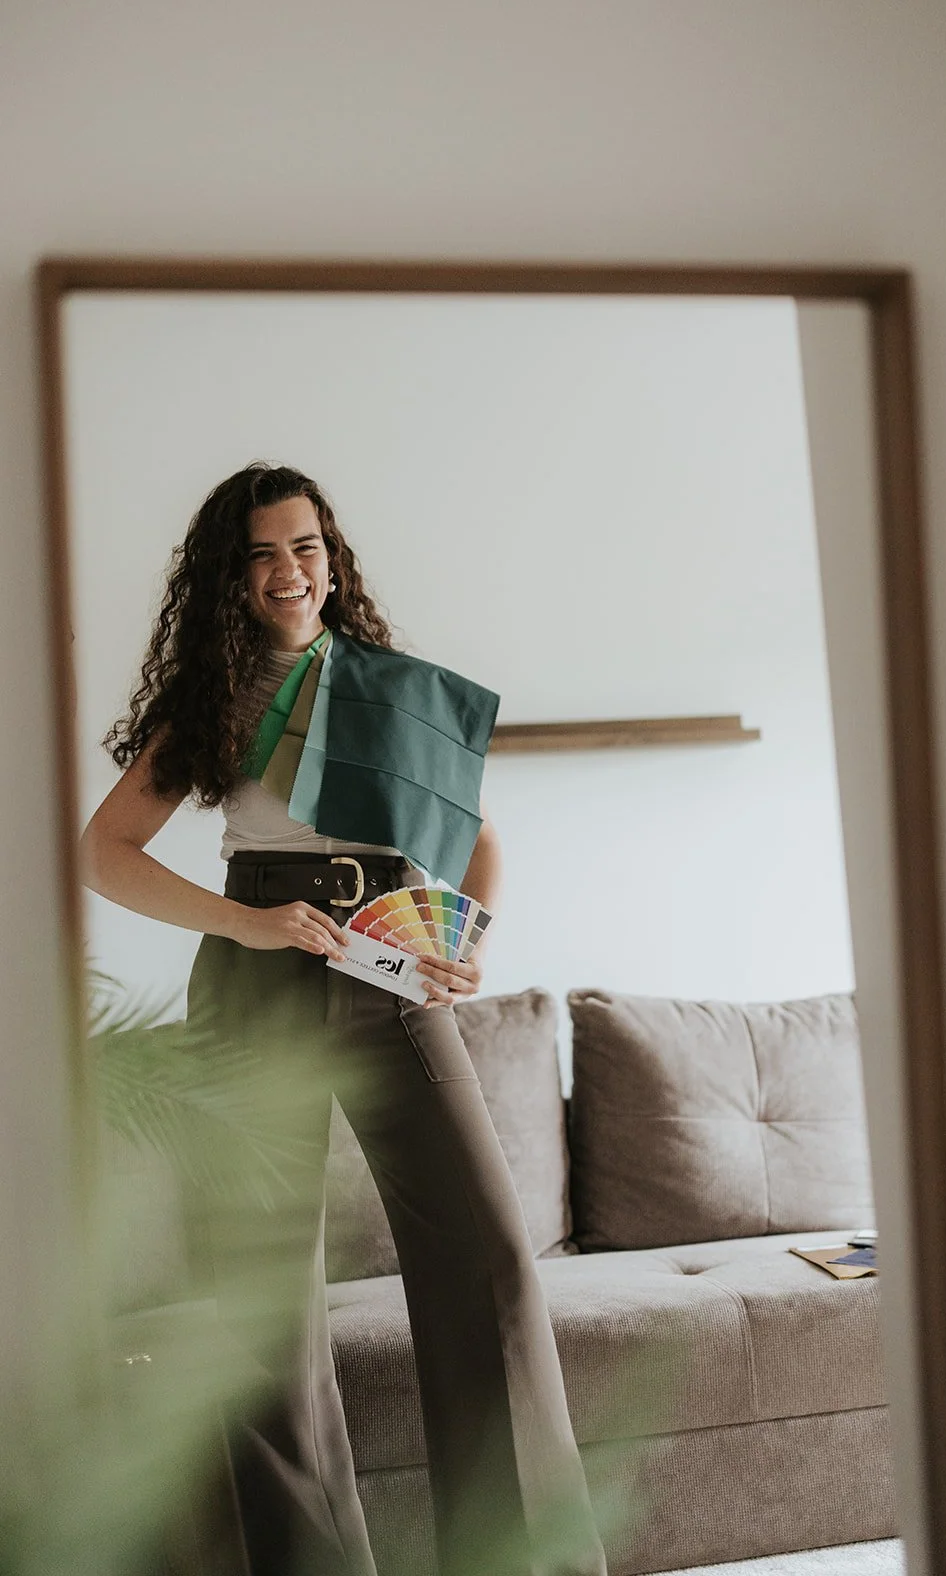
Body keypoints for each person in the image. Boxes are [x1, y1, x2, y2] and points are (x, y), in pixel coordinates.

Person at [80, 463, 609, 1576]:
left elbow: (478, 838)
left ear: (334, 556)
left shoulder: (389, 688)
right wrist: (243, 923)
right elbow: (104, 852)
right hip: (249, 983)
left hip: (387, 966)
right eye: (265, 552)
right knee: (258, 1298)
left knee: (487, 1258)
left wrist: (461, 939)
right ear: (232, 575)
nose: (291, 571)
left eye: (307, 546)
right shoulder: (210, 699)